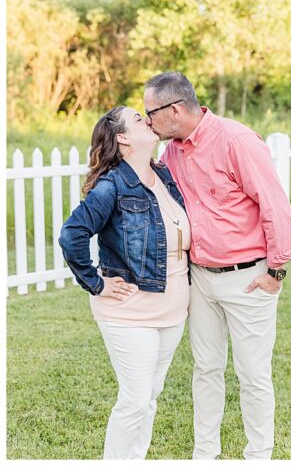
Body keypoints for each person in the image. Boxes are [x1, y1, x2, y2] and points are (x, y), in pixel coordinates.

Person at [143, 71, 291, 460]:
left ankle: (258, 455)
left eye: (151, 114)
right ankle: (204, 453)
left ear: (174, 109)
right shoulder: (172, 152)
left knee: (253, 375)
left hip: (248, 278)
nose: (148, 121)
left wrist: (275, 271)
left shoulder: (236, 140)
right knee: (206, 370)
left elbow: (275, 206)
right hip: (201, 280)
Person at [59, 106, 191, 459]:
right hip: (128, 312)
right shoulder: (112, 185)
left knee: (150, 397)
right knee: (134, 400)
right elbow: (72, 235)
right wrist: (97, 283)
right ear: (122, 138)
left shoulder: (163, 175)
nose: (147, 119)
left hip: (173, 312)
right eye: (137, 118)